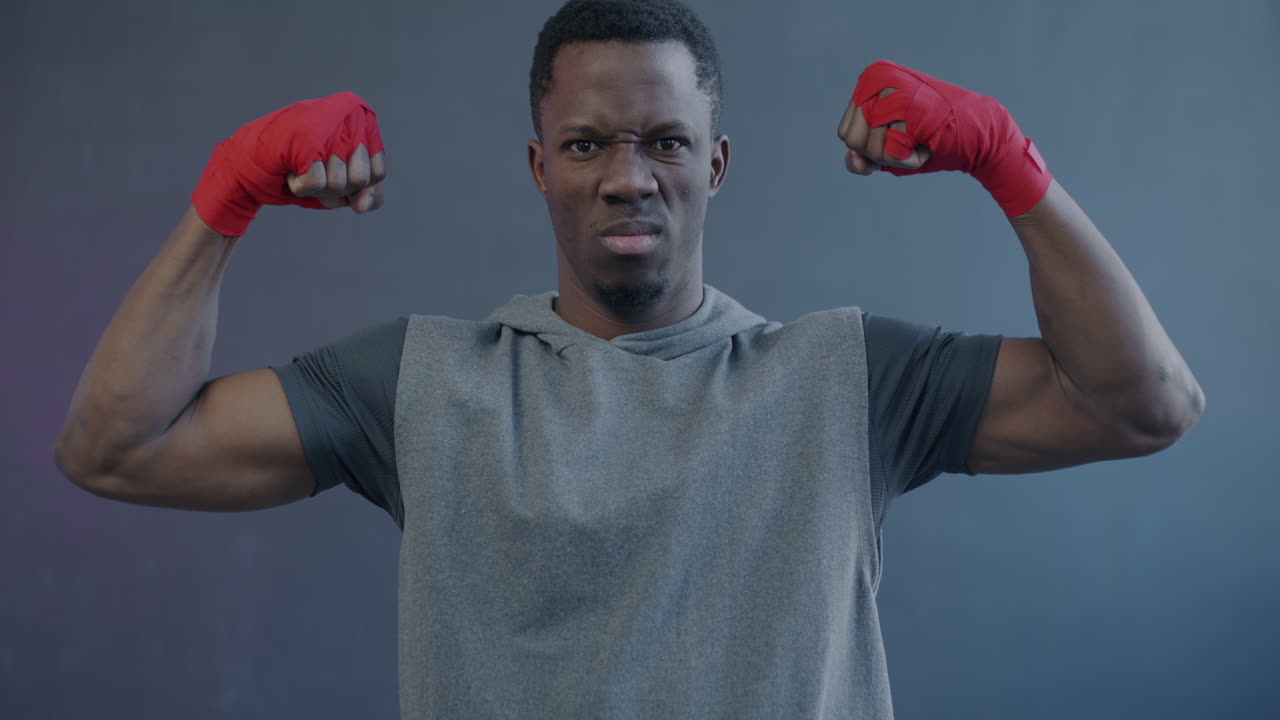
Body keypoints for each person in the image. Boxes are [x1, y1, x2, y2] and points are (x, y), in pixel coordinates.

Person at [53, 0, 1204, 717]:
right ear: (536, 166)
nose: (625, 175)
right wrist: (228, 194)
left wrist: (1006, 161)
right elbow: (115, 447)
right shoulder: (420, 384)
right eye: (585, 143)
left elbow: (1142, 405)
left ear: (714, 165)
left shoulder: (844, 381)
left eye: (663, 141)